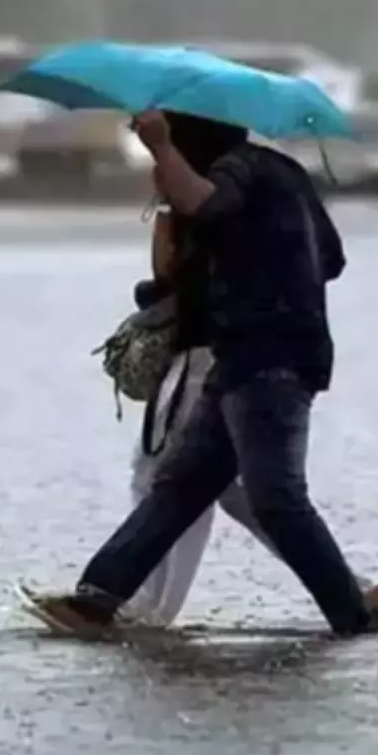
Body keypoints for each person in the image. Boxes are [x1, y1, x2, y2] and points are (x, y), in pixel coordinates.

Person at [29, 110, 378, 637]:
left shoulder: (237, 171)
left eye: (177, 137)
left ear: (194, 136)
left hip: (268, 360)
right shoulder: (280, 172)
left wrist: (162, 150)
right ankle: (96, 600)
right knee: (180, 485)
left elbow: (208, 210)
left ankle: (356, 614)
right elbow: (331, 258)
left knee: (274, 498)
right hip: (243, 359)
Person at [116, 209, 283, 626]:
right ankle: (352, 590)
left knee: (167, 475)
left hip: (204, 355)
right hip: (232, 352)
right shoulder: (250, 199)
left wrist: (165, 224)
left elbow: (169, 273)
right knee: (240, 493)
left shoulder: (206, 199)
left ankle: (151, 606)